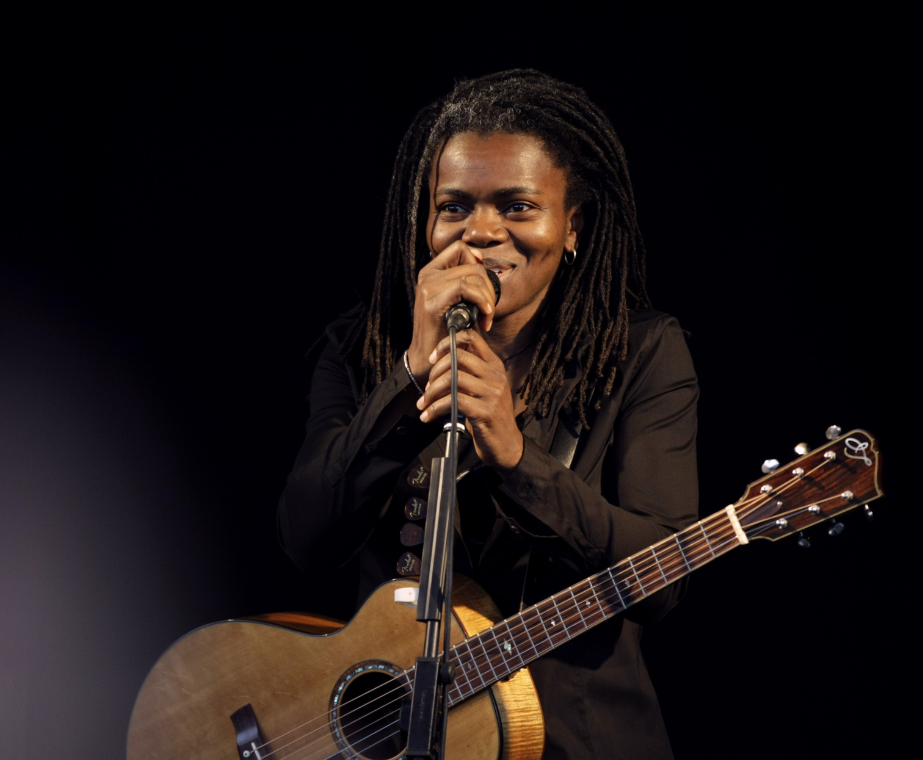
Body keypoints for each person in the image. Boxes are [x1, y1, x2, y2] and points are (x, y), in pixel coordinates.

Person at [278, 69, 698, 760]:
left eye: (516, 206)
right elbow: (306, 536)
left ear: (571, 226)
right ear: (425, 221)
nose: (480, 232)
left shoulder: (640, 353)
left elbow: (661, 581)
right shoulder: (362, 351)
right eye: (454, 207)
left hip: (572, 740)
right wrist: (410, 378)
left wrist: (514, 456)